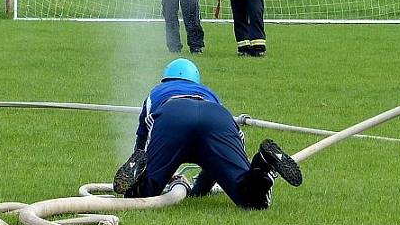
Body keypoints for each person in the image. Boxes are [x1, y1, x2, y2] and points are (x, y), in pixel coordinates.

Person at [113, 58, 302, 210]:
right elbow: (216, 166)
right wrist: (199, 190)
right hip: (217, 117)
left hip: (173, 115)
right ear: (196, 81)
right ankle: (263, 163)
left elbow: (142, 145)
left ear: (166, 79)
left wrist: (140, 164)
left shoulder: (156, 93)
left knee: (142, 194)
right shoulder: (209, 94)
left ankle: (137, 177)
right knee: (249, 197)